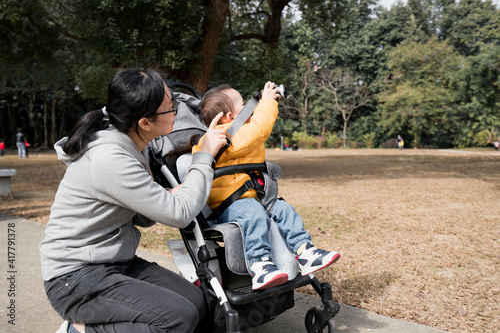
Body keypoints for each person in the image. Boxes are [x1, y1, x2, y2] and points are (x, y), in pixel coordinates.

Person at [39, 68, 227, 333]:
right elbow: (180, 214)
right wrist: (204, 155)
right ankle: (81, 330)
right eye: (170, 106)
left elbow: (140, 216)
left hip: (116, 262)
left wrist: (160, 199)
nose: (177, 109)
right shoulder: (110, 158)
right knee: (178, 318)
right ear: (145, 123)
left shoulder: (132, 143)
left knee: (197, 303)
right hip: (75, 277)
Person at [192, 82, 340, 291]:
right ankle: (260, 265)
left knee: (282, 208)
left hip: (252, 199)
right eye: (244, 105)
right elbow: (258, 130)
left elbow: (253, 133)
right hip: (228, 207)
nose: (249, 108)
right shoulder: (217, 138)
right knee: (253, 212)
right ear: (229, 118)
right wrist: (267, 103)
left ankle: (305, 251)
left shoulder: (239, 132)